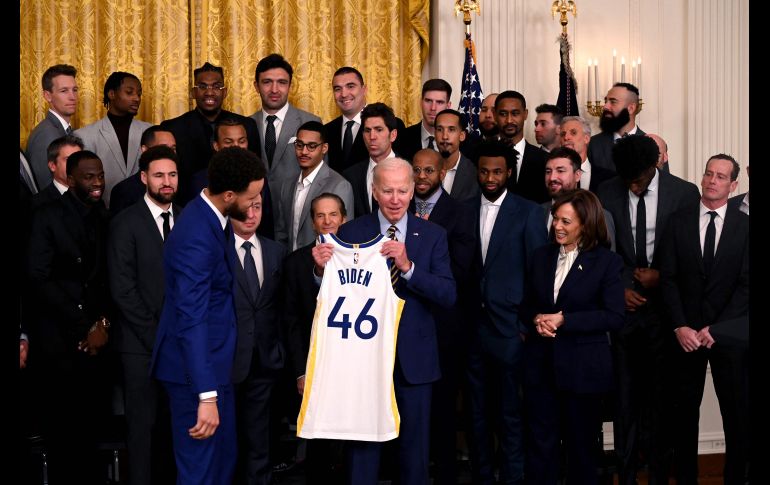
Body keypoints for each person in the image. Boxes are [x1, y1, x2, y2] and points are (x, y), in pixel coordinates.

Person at [312, 157, 456, 485]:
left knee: (414, 457)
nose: (395, 199)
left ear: (412, 191)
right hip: (362, 362)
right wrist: (321, 271)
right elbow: (332, 294)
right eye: (387, 191)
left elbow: (448, 294)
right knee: (362, 455)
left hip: (414, 364)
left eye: (402, 191)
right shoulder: (351, 231)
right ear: (374, 191)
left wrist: (409, 268)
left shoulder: (432, 235)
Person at [151, 146, 266, 485]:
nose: (254, 205)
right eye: (251, 197)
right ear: (229, 195)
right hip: (195, 376)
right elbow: (192, 319)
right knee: (200, 472)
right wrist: (206, 395)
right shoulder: (196, 236)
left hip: (215, 367)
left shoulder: (212, 217)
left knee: (221, 464)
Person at [597, 134, 700, 485]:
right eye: (628, 181)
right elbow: (600, 249)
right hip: (623, 314)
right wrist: (623, 284)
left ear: (654, 165)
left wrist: (662, 275)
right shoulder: (608, 191)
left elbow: (691, 252)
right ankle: (625, 475)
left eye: (639, 180)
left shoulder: (684, 193)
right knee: (624, 401)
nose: (633, 187)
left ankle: (658, 475)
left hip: (666, 313)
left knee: (661, 403)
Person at [520, 189, 625, 484]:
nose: (557, 226)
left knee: (581, 452)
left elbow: (614, 316)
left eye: (566, 221)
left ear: (586, 224)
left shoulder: (606, 262)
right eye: (556, 219)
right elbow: (526, 304)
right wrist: (536, 319)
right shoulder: (541, 256)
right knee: (541, 447)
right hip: (541, 368)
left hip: (583, 372)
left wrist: (566, 320)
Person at [660, 154, 749, 485]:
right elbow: (668, 279)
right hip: (686, 337)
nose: (712, 180)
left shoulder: (744, 226)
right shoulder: (678, 221)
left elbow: (746, 285)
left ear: (733, 185)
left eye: (721, 176)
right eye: (709, 173)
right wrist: (680, 325)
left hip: (727, 338)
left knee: (737, 419)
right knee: (683, 418)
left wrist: (719, 330)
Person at [27, 150, 113, 485]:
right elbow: (38, 278)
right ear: (71, 178)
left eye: (101, 176)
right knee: (63, 437)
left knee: (93, 434)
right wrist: (85, 326)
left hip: (98, 343)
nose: (97, 184)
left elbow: (109, 278)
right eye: (89, 177)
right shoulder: (46, 215)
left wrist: (102, 325)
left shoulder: (103, 216)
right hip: (60, 343)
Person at [466, 140, 547, 485]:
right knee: (477, 415)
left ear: (509, 173)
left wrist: (523, 324)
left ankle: (514, 479)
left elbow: (538, 271)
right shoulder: (463, 209)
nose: (490, 177)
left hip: (510, 330)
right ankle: (483, 477)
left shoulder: (529, 211)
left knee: (511, 414)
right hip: (471, 328)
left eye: (497, 171)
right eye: (484, 170)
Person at [107, 145, 181, 485]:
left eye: (172, 174)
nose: (166, 182)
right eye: (159, 175)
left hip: (181, 345)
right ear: (143, 178)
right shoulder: (126, 222)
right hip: (140, 348)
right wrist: (157, 337)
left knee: (173, 428)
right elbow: (123, 290)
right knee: (142, 430)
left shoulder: (186, 218)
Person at [410, 148, 475, 484]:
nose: (422, 178)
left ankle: (446, 473)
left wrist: (416, 271)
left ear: (442, 174)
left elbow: (460, 270)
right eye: (416, 170)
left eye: (429, 171)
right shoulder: (399, 209)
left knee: (444, 406)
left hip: (445, 325)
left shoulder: (460, 213)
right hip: (406, 323)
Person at [283, 193, 348, 484]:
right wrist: (300, 371)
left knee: (348, 447)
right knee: (318, 447)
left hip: (350, 368)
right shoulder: (296, 263)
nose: (327, 221)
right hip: (314, 367)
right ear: (312, 222)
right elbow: (292, 322)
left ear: (344, 218)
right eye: (320, 216)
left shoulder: (361, 260)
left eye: (333, 214)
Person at [229, 182, 287, 485]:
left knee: (260, 442)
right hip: (227, 362)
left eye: (258, 207)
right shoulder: (217, 250)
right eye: (245, 208)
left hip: (265, 362)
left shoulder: (277, 251)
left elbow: (282, 308)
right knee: (228, 443)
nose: (251, 215)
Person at [160, 62, 260, 205]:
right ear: (193, 92)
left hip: (237, 207)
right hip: (187, 207)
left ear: (225, 92)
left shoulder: (246, 125)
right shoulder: (173, 128)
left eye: (216, 86)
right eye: (202, 86)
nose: (210, 92)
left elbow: (255, 171)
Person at [74, 71, 152, 207]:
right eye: (129, 92)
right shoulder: (85, 136)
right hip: (104, 214)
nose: (137, 98)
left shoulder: (149, 132)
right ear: (111, 94)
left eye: (139, 94)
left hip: (144, 213)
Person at [275, 121, 354, 251]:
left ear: (324, 148)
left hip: (324, 265)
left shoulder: (340, 185)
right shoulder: (287, 184)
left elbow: (345, 236)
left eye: (311, 146)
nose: (304, 151)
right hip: (291, 264)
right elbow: (282, 233)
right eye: (299, 145)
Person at [249, 53, 321, 191]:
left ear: (290, 86)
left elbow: (320, 177)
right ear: (256, 86)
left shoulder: (311, 121)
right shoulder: (247, 124)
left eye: (282, 82)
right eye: (267, 82)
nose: (274, 90)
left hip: (295, 208)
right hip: (255, 207)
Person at [324, 67, 406, 173]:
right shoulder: (327, 130)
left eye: (350, 86)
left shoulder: (394, 125)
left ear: (364, 89)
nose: (344, 94)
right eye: (337, 89)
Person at [542, 147, 616, 251]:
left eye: (560, 171)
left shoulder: (598, 214)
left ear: (577, 175)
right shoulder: (537, 211)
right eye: (548, 171)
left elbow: (608, 262)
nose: (552, 177)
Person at [343, 102, 400, 218]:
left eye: (378, 130)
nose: (372, 137)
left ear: (393, 135)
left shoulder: (411, 171)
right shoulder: (350, 176)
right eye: (367, 130)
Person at [26, 64, 78, 187]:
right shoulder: (46, 135)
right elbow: (47, 189)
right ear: (47, 96)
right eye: (64, 91)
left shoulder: (62, 129)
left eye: (74, 90)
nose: (72, 97)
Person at [494, 90, 549, 203]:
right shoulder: (480, 157)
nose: (509, 120)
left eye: (515, 113)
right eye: (503, 114)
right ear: (495, 115)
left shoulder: (545, 159)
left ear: (525, 114)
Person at [109, 125, 177, 215]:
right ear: (145, 150)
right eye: (163, 148)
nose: (169, 153)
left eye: (173, 148)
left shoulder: (178, 186)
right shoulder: (125, 191)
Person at [587, 83, 645, 172]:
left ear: (631, 108)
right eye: (606, 101)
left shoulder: (651, 144)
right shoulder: (593, 144)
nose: (605, 107)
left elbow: (664, 183)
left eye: (613, 102)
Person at [559, 116, 615, 194]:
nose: (566, 137)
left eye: (573, 132)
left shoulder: (608, 177)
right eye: (563, 134)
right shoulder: (553, 176)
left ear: (586, 139)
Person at [400, 78, 452, 161]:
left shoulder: (460, 142)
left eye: (439, 102)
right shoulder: (402, 138)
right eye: (428, 101)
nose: (433, 108)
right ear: (421, 102)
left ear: (448, 106)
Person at [434, 109, 480, 201]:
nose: (445, 136)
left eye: (451, 130)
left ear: (462, 136)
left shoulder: (475, 173)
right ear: (434, 134)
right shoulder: (423, 170)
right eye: (440, 129)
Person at [31, 135, 83, 210]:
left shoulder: (92, 195)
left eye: (80, 159)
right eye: (69, 159)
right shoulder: (38, 205)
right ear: (52, 166)